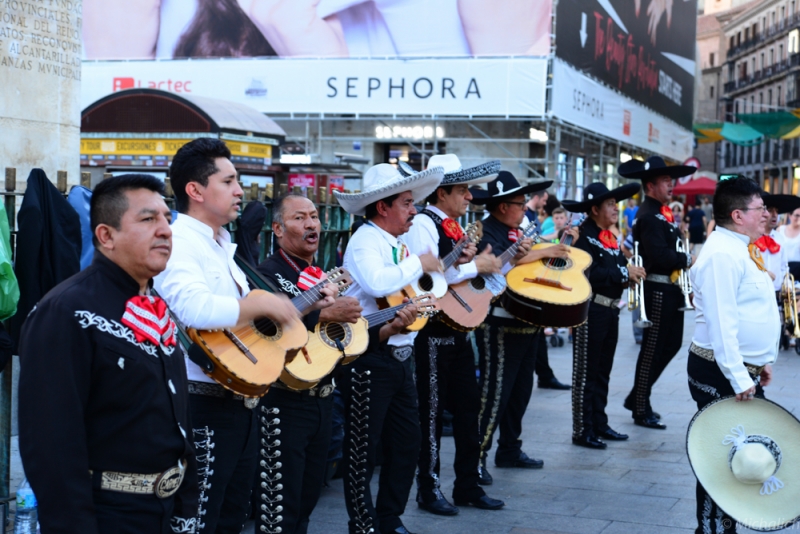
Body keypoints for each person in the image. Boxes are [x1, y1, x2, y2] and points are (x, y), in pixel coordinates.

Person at [155, 138, 327, 534]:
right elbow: (192, 309)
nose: (239, 191)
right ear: (195, 190)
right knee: (197, 518)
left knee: (231, 518)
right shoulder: (180, 242)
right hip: (202, 404)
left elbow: (243, 330)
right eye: (229, 181)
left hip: (239, 401)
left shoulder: (220, 247)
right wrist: (262, 304)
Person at [18, 175, 198, 533]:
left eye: (166, 218)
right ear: (106, 236)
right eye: (148, 219)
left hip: (163, 512)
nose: (165, 230)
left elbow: (175, 414)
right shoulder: (67, 310)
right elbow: (51, 443)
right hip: (106, 515)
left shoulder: (154, 304)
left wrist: (184, 505)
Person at [254, 193, 415, 534]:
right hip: (282, 402)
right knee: (278, 507)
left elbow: (340, 340)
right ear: (279, 229)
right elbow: (267, 327)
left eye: (314, 216)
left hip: (324, 398)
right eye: (300, 218)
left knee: (308, 498)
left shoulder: (319, 277)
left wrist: (389, 327)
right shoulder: (268, 273)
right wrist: (324, 311)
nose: (312, 223)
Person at [334, 163, 445, 534]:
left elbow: (411, 297)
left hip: (399, 357)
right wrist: (421, 262)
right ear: (383, 207)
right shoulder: (365, 240)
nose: (414, 210)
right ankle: (364, 523)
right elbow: (377, 283)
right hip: (369, 358)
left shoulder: (394, 244)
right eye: (407, 202)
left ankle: (389, 518)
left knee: (406, 443)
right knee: (364, 449)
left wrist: (424, 302)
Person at [402, 155, 505, 515]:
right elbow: (429, 276)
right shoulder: (424, 225)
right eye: (462, 191)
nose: (469, 198)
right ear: (441, 192)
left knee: (467, 409)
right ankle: (428, 489)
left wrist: (482, 266)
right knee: (430, 414)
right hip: (431, 331)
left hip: (457, 328)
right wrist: (477, 265)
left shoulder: (451, 226)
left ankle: (467, 484)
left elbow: (456, 271)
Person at [468, 171, 575, 486]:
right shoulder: (488, 232)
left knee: (520, 391)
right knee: (494, 394)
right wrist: (546, 251)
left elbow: (533, 263)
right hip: (500, 323)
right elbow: (503, 266)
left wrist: (558, 245)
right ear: (502, 207)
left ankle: (510, 448)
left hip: (527, 320)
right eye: (519, 204)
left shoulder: (515, 230)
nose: (525, 209)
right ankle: (476, 458)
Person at [687, 175, 778, 533]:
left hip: (738, 370)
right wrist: (741, 376)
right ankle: (711, 530)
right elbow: (723, 325)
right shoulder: (722, 254)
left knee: (739, 456)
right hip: (719, 372)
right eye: (760, 209)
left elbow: (748, 312)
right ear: (738, 215)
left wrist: (762, 361)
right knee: (723, 459)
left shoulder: (738, 247)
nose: (767, 215)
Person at [562, 182, 646, 449]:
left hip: (610, 310)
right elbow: (589, 273)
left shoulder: (608, 236)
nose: (616, 208)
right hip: (590, 310)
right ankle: (582, 429)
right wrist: (624, 274)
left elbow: (614, 268)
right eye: (610, 204)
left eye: (615, 203)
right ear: (595, 208)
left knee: (603, 372)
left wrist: (629, 273)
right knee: (586, 373)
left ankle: (599, 422)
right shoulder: (582, 235)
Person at [617, 156, 696, 430]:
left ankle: (637, 396)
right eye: (665, 181)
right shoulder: (649, 215)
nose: (670, 184)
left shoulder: (660, 212)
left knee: (671, 344)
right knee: (652, 349)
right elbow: (660, 256)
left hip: (670, 288)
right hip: (658, 288)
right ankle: (640, 406)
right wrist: (685, 258)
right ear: (650, 185)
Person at [759, 193, 800, 351]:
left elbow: (784, 267)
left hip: (776, 290)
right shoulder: (752, 237)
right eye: (770, 210)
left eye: (777, 211)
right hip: (759, 290)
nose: (775, 215)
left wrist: (787, 284)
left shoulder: (779, 238)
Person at [775, 206, 800, 279]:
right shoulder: (781, 230)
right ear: (790, 216)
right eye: (797, 215)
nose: (799, 218)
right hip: (783, 267)